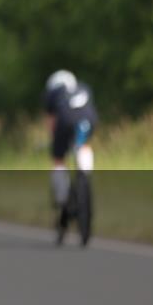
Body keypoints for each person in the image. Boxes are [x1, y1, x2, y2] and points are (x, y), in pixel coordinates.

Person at [43, 70, 98, 210]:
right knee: (83, 145)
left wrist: (55, 140)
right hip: (88, 120)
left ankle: (62, 196)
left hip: (64, 121)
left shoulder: (53, 92)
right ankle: (85, 175)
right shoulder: (83, 87)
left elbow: (52, 120)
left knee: (59, 159)